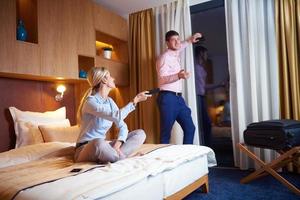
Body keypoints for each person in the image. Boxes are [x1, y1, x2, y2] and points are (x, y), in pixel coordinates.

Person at [74, 67, 151, 164]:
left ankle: (113, 156)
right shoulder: (90, 102)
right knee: (99, 142)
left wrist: (118, 144)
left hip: (104, 147)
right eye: (110, 76)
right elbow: (116, 116)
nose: (113, 78)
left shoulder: (110, 102)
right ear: (104, 80)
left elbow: (122, 125)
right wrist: (135, 101)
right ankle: (124, 159)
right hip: (85, 148)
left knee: (140, 134)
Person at [156, 30, 202, 144]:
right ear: (167, 43)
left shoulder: (176, 52)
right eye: (173, 40)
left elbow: (181, 45)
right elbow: (162, 79)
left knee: (190, 128)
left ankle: (186, 157)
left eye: (178, 39)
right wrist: (178, 75)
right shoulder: (164, 57)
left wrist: (191, 40)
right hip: (167, 98)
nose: (177, 42)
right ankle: (163, 160)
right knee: (166, 134)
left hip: (178, 99)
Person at [194, 45, 225, 146]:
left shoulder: (201, 69)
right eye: (206, 53)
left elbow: (204, 86)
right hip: (197, 97)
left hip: (202, 97)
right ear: (201, 54)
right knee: (205, 124)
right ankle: (206, 146)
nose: (207, 55)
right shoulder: (194, 67)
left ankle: (207, 146)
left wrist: (219, 85)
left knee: (206, 124)